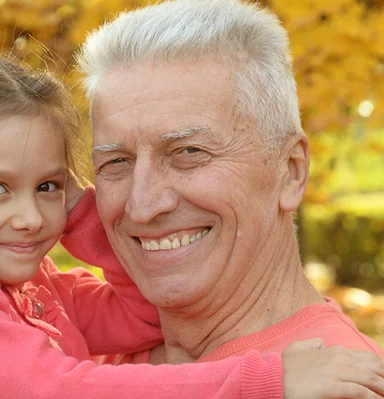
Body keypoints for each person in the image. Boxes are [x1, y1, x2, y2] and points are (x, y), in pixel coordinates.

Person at [0, 56, 384, 398]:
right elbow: (63, 391)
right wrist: (269, 380)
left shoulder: (38, 288)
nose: (29, 218)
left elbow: (146, 316)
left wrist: (83, 216)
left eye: (48, 187)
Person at [75, 0, 384, 382]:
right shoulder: (68, 360)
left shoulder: (347, 384)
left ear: (291, 171)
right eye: (116, 162)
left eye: (189, 152)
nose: (142, 207)